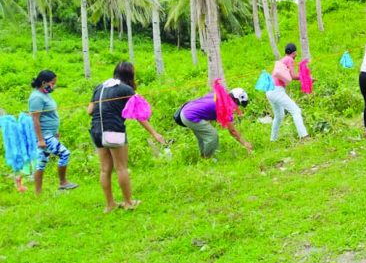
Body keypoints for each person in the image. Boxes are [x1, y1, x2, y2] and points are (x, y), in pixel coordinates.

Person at [86, 62, 165, 213]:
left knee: (104, 169)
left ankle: (110, 205)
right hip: (113, 130)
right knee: (121, 167)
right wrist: (154, 133)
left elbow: (89, 110)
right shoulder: (126, 89)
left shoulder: (100, 86)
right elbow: (140, 116)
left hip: (96, 130)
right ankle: (129, 202)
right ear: (129, 74)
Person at [28, 70, 78, 194]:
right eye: (53, 83)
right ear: (44, 82)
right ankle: (63, 182)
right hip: (44, 135)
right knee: (65, 153)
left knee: (41, 162)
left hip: (49, 134)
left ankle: (38, 193)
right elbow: (35, 119)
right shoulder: (36, 98)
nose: (54, 86)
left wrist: (55, 131)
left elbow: (49, 116)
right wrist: (40, 139)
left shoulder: (45, 95)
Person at [180, 87, 253, 157]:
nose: (236, 107)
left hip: (185, 111)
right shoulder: (226, 107)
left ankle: (203, 156)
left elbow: (206, 105)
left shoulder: (218, 95)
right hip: (190, 116)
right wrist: (245, 143)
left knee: (203, 137)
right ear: (236, 100)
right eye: (238, 104)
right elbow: (232, 131)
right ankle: (207, 158)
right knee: (213, 135)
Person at [267, 43, 309, 141]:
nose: (296, 55)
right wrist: (306, 77)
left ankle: (273, 140)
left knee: (279, 116)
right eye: (296, 52)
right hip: (277, 90)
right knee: (296, 111)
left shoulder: (281, 60)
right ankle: (304, 136)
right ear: (294, 52)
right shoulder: (289, 59)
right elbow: (294, 76)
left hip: (269, 91)